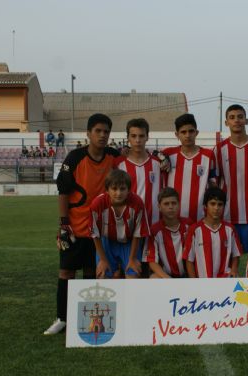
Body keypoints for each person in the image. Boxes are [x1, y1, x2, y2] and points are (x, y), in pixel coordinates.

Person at [44, 113, 121, 335]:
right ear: (88, 133)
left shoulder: (114, 157)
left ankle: (84, 319)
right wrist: (63, 225)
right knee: (66, 272)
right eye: (98, 131)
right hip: (75, 227)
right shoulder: (75, 158)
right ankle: (61, 318)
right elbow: (63, 192)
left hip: (100, 230)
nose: (102, 135)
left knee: (92, 273)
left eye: (106, 131)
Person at [214, 104, 248, 253]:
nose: (236, 120)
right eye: (232, 117)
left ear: (246, 120)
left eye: (240, 117)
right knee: (227, 258)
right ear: (226, 123)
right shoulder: (219, 149)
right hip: (227, 214)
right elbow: (215, 183)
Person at [90, 169, 149, 279]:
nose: (118, 193)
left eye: (122, 189)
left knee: (133, 275)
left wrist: (132, 259)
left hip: (129, 242)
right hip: (106, 242)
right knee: (103, 276)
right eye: (114, 189)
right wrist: (103, 260)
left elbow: (137, 233)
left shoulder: (137, 203)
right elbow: (95, 234)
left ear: (128, 190)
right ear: (107, 190)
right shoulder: (97, 204)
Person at [163, 113, 216, 222]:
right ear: (176, 134)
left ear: (196, 133)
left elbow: (213, 185)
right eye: (183, 132)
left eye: (191, 131)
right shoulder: (167, 154)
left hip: (200, 218)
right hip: (172, 220)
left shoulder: (208, 155)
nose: (187, 135)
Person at [115, 118, 164, 226]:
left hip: (153, 224)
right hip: (128, 224)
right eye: (133, 136)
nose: (137, 140)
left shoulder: (158, 163)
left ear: (147, 137)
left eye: (141, 136)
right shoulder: (118, 164)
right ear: (128, 138)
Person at [184, 187, 241, 278]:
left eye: (220, 204)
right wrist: (193, 282)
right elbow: (189, 260)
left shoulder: (230, 229)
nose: (216, 208)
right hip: (203, 281)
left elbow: (236, 254)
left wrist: (234, 270)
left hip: (224, 279)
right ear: (205, 206)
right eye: (213, 204)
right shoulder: (195, 230)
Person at [145, 187, 193, 278]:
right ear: (159, 207)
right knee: (153, 278)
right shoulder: (154, 230)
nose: (170, 207)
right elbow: (152, 261)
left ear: (179, 205)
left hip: (187, 275)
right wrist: (167, 279)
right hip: (166, 276)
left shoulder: (189, 225)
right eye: (166, 204)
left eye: (174, 203)